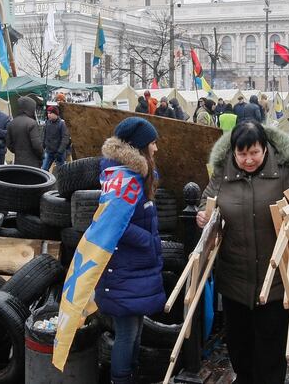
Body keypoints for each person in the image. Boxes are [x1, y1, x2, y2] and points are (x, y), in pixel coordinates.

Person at [197, 121, 289, 384]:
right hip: (234, 278)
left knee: (270, 350)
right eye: (242, 154)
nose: (248, 160)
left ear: (265, 148)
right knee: (239, 346)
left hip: (275, 278)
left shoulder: (285, 170)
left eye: (254, 152)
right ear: (233, 152)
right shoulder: (222, 173)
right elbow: (207, 200)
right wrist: (204, 215)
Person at [96, 117, 165, 384]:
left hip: (133, 266)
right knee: (127, 332)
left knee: (135, 330)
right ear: (138, 146)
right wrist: (148, 241)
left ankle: (130, 375)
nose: (156, 148)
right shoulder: (124, 180)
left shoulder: (137, 175)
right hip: (123, 268)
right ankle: (121, 379)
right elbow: (114, 223)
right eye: (152, 143)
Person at [6, 96, 44, 167]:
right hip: (33, 162)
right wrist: (42, 155)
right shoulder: (32, 123)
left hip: (18, 161)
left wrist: (18, 152)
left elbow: (8, 143)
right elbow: (37, 145)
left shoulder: (11, 123)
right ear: (30, 108)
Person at [42, 105, 70, 171]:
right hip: (49, 151)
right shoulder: (47, 123)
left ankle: (60, 181)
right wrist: (42, 146)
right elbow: (45, 136)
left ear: (56, 114)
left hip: (59, 152)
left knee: (60, 171)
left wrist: (60, 151)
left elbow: (65, 138)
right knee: (44, 169)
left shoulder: (62, 124)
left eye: (50, 113)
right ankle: (48, 181)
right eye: (48, 113)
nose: (48, 115)